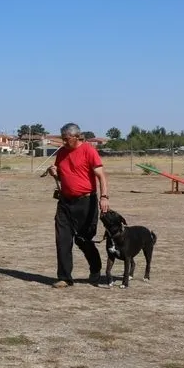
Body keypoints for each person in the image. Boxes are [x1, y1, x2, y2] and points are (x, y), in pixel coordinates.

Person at [46, 122, 108, 288]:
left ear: (76, 137)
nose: (64, 142)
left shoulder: (88, 150)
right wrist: (55, 173)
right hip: (65, 202)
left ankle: (95, 268)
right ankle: (65, 277)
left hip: (86, 202)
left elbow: (101, 176)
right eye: (63, 139)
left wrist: (104, 196)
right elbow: (63, 177)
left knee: (83, 240)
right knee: (63, 240)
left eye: (67, 139)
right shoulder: (61, 153)